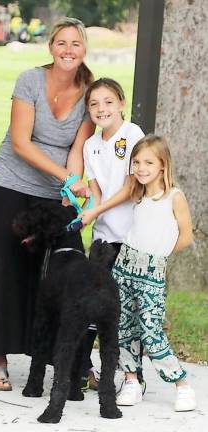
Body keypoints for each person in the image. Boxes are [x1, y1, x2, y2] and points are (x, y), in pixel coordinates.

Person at [0, 17, 94, 391]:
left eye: (76, 43)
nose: (68, 50)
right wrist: (66, 177)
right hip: (10, 181)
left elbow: (77, 150)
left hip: (55, 191)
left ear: (84, 49)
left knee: (69, 275)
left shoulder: (89, 90)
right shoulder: (29, 80)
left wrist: (69, 193)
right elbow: (21, 143)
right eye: (62, 43)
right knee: (4, 267)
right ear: (50, 47)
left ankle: (73, 362)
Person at [111, 135, 196, 411]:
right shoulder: (138, 193)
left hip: (151, 272)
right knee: (123, 327)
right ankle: (132, 381)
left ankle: (181, 384)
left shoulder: (174, 196)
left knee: (150, 330)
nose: (141, 168)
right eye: (136, 162)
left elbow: (185, 237)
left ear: (163, 165)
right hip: (124, 268)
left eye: (148, 162)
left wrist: (157, 256)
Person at [77, 78, 144, 390]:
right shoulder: (91, 145)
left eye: (107, 101)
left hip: (130, 238)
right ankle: (84, 367)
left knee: (126, 307)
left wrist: (97, 210)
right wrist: (86, 213)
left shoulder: (132, 135)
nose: (101, 109)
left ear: (121, 103)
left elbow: (132, 187)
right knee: (94, 304)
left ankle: (132, 375)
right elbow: (96, 191)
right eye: (94, 104)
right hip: (103, 240)